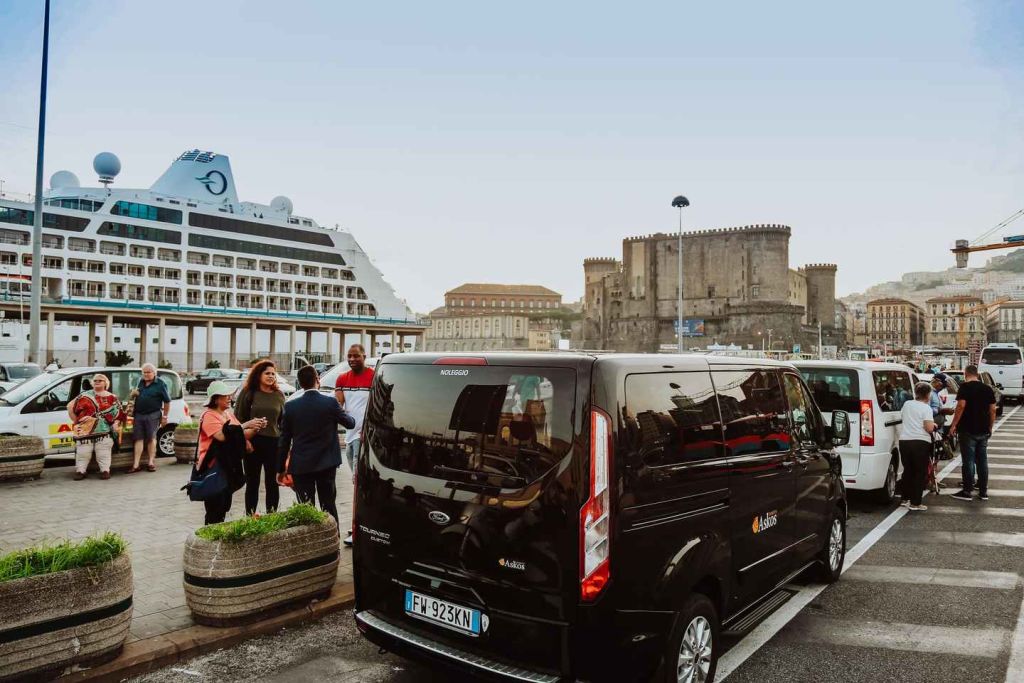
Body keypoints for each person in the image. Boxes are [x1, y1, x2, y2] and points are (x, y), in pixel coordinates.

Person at [279, 365, 355, 538]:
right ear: (317, 380)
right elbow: (350, 423)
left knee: (306, 507)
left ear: (300, 384)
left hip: (301, 465)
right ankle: (332, 538)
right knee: (328, 504)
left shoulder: (290, 406)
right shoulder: (330, 403)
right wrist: (344, 413)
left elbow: (284, 440)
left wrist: (280, 468)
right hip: (326, 463)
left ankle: (311, 541)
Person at [196, 381, 266, 524]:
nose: (230, 398)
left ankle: (217, 532)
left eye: (230, 395)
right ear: (216, 399)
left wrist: (256, 427)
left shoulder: (227, 414)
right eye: (226, 395)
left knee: (224, 505)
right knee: (215, 507)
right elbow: (222, 436)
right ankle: (210, 533)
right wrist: (246, 424)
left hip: (227, 465)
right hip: (213, 467)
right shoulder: (209, 415)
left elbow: (240, 433)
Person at [235, 359, 285, 516]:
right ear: (258, 375)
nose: (271, 376)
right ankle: (250, 517)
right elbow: (238, 420)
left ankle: (272, 517)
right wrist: (245, 441)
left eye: (273, 374)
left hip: (273, 443)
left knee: (272, 483)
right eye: (267, 373)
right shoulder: (248, 393)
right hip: (253, 443)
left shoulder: (279, 395)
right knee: (252, 482)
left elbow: (283, 422)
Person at [949, 364, 996, 502]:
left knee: (968, 461)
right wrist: (990, 426)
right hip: (983, 429)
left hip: (967, 429)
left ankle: (967, 491)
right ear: (977, 374)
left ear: (966, 374)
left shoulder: (964, 387)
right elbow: (993, 409)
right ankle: (983, 491)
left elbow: (961, 406)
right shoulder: (987, 389)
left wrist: (953, 424)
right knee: (982, 460)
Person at [67, 373, 126, 481]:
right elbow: (70, 406)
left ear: (105, 383)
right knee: (83, 452)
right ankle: (81, 471)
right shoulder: (83, 396)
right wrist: (76, 421)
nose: (97, 382)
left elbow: (119, 413)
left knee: (103, 452)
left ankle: (105, 471)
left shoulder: (112, 397)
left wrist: (115, 424)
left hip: (104, 430)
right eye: (95, 380)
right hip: (84, 431)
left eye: (100, 380)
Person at [335, 344, 375, 477]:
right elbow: (338, 406)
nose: (352, 359)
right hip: (349, 434)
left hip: (363, 434)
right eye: (349, 356)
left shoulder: (374, 376)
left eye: (356, 356)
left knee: (357, 475)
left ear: (364, 357)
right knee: (355, 475)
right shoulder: (342, 378)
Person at [899, 382, 937, 511]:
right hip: (920, 442)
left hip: (905, 441)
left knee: (908, 470)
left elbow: (903, 417)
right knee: (919, 472)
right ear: (928, 394)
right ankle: (915, 503)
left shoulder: (907, 404)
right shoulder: (926, 408)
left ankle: (905, 498)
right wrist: (933, 425)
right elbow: (929, 428)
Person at [130, 363, 171, 473]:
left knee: (151, 438)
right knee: (138, 438)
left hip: (153, 414)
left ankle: (151, 463)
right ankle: (136, 465)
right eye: (144, 372)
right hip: (139, 414)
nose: (146, 374)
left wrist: (165, 417)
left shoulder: (160, 383)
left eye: (149, 372)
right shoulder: (140, 382)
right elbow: (133, 396)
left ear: (154, 373)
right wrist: (133, 394)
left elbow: (167, 401)